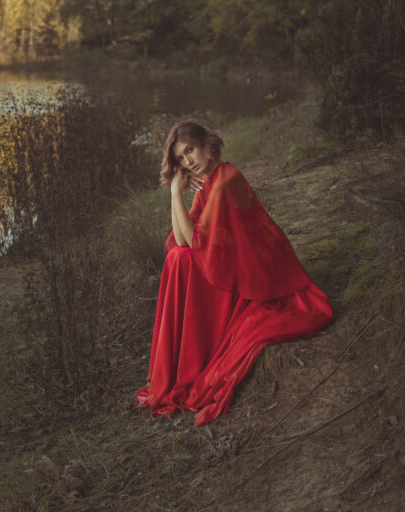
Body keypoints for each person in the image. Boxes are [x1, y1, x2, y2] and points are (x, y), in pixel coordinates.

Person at [135, 120, 333, 427]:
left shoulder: (225, 181)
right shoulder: (210, 181)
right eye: (180, 158)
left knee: (180, 260)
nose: (188, 161)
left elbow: (192, 243)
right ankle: (177, 366)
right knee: (177, 258)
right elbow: (179, 238)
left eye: (190, 150)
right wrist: (175, 193)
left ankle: (182, 364)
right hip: (232, 264)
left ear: (206, 144)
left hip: (254, 274)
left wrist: (175, 195)